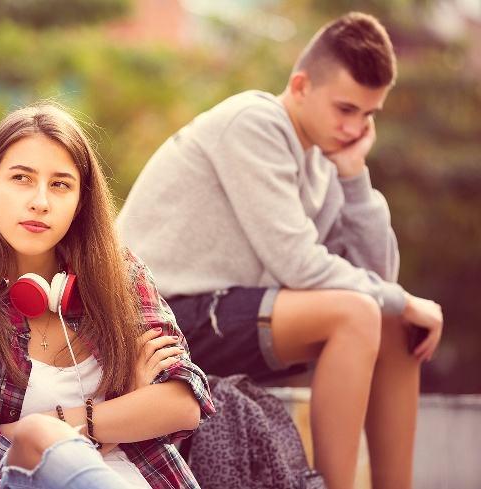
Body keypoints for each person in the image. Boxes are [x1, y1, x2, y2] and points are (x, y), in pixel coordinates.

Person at [117, 11, 443, 489]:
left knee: (396, 323)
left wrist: (354, 176)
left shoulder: (323, 159)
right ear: (302, 84)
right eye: (346, 109)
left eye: (368, 115)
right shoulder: (255, 124)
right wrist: (396, 297)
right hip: (154, 320)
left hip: (223, 313)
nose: (355, 128)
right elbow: (298, 264)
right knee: (354, 314)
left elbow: (379, 281)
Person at [0, 103, 215, 489]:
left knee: (35, 432)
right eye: (22, 178)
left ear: (80, 201)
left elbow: (183, 404)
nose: (40, 201)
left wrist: (63, 425)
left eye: (60, 184)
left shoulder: (121, 278)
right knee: (36, 435)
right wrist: (125, 413)